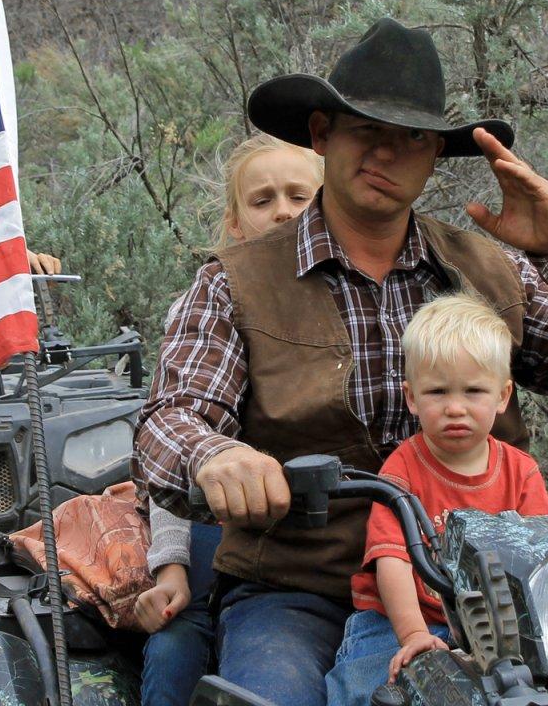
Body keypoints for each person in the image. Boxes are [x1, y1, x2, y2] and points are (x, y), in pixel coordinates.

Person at [135, 18, 548, 705]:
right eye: (365, 129)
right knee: (269, 697)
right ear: (322, 134)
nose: (387, 152)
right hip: (302, 587)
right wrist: (214, 458)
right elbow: (169, 421)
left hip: (494, 586)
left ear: (436, 155)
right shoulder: (234, 281)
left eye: (412, 136)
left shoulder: (489, 268)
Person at [134, 132, 322, 706]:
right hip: (215, 528)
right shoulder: (214, 298)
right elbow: (173, 433)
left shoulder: (363, 300)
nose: (283, 210)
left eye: (299, 196)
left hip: (326, 541)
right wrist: (169, 566)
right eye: (262, 200)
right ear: (236, 221)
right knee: (174, 649)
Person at [325, 293, 548, 704]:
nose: (455, 408)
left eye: (473, 391)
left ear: (502, 397)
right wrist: (413, 634)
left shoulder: (521, 472)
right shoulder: (403, 470)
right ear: (412, 397)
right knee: (369, 687)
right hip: (397, 618)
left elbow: (538, 563)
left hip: (497, 627)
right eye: (437, 393)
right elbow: (391, 560)